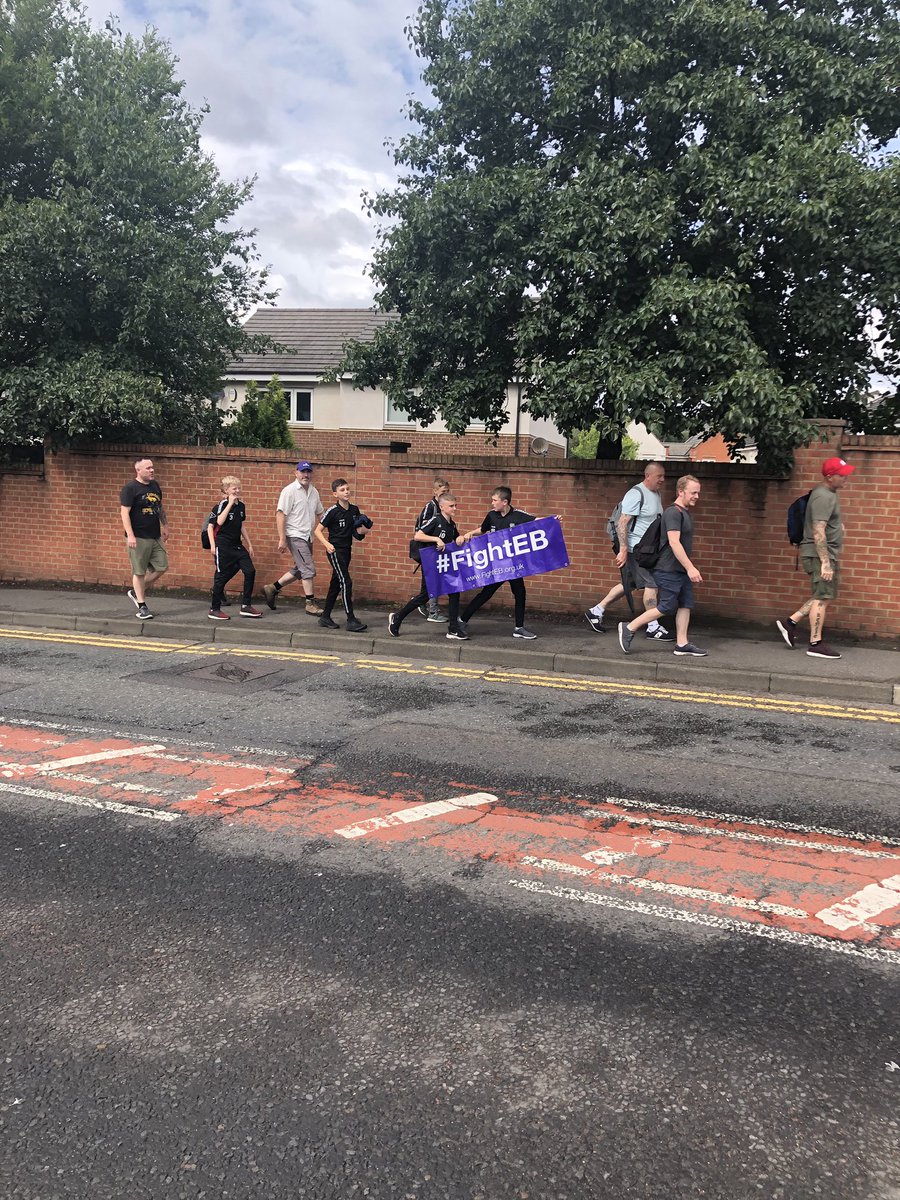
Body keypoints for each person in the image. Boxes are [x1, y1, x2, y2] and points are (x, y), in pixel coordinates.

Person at [617, 474, 707, 657]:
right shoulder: (673, 513)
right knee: (666, 606)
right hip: (668, 569)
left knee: (685, 604)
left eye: (698, 493)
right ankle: (629, 627)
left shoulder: (684, 513)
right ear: (681, 492)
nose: (697, 496)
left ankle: (682, 644)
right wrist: (690, 567)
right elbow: (674, 542)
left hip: (679, 570)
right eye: (693, 492)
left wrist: (686, 568)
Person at [776, 457, 855, 659]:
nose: (846, 478)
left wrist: (839, 528)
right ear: (830, 477)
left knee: (822, 594)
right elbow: (818, 531)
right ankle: (815, 643)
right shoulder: (823, 496)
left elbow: (826, 524)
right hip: (819, 555)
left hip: (823, 554)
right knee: (822, 598)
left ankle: (791, 622)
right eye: (842, 475)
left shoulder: (829, 493)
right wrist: (826, 562)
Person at [585, 462, 671, 640]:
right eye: (659, 476)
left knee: (629, 584)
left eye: (663, 476)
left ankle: (596, 611)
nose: (663, 479)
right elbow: (622, 522)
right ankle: (652, 626)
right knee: (652, 584)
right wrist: (623, 549)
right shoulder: (635, 494)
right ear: (648, 476)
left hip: (648, 550)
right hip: (636, 550)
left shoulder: (655, 493)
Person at [456, 487, 539, 639]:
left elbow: (537, 522)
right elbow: (483, 529)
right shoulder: (492, 515)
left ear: (505, 502)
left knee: (520, 593)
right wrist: (469, 534)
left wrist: (554, 520)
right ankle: (462, 620)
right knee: (486, 593)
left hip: (513, 566)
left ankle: (519, 628)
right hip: (497, 565)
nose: (492, 503)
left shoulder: (518, 516)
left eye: (495, 500)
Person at [389, 493, 472, 639]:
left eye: (455, 505)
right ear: (442, 507)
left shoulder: (451, 524)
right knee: (424, 596)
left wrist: (459, 538)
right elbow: (418, 535)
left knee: (454, 592)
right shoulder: (435, 520)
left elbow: (455, 539)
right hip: (431, 565)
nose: (455, 508)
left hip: (444, 564)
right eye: (451, 506)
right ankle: (397, 617)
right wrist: (436, 539)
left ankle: (453, 628)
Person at [263, 461, 324, 614]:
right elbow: (280, 514)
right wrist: (282, 539)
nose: (306, 475)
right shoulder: (289, 491)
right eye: (303, 472)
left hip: (308, 536)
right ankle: (310, 603)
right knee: (308, 568)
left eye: (308, 472)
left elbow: (321, 514)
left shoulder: (314, 492)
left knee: (300, 569)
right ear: (295, 473)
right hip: (295, 535)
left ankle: (272, 588)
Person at [314, 479, 369, 633]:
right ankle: (350, 619)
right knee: (346, 582)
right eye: (342, 490)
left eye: (347, 489)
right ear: (335, 494)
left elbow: (357, 534)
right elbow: (318, 530)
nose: (346, 492)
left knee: (336, 583)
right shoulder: (332, 511)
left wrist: (364, 529)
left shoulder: (354, 510)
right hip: (335, 550)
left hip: (347, 550)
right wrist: (327, 544)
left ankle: (325, 617)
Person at [119, 457, 168, 620]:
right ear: (138, 470)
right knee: (139, 572)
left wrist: (165, 526)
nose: (152, 470)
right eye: (148, 468)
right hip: (138, 536)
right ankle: (142, 606)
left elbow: (159, 507)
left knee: (162, 566)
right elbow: (124, 513)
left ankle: (135, 591)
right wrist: (130, 535)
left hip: (154, 535)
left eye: (152, 467)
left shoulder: (155, 486)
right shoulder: (130, 488)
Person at [208, 477, 262, 620]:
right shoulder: (221, 505)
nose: (237, 491)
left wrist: (249, 544)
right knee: (220, 576)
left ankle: (246, 606)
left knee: (250, 571)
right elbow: (217, 522)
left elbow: (241, 526)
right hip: (223, 546)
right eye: (234, 488)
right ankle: (214, 609)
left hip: (237, 545)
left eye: (239, 488)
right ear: (226, 490)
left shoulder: (241, 506)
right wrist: (213, 545)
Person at [415, 477, 450, 622]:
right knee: (432, 580)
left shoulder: (443, 508)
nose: (445, 494)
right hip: (428, 550)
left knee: (429, 582)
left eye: (447, 491)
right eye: (443, 492)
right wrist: (436, 538)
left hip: (437, 550)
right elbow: (421, 529)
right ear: (435, 491)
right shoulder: (430, 507)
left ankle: (421, 602)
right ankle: (432, 611)